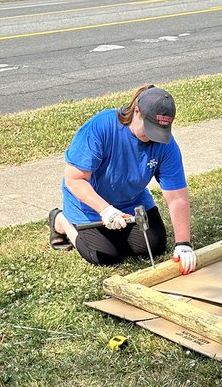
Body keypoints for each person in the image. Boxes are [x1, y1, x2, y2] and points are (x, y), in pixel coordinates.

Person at [48, 84, 198, 273]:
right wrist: (106, 210)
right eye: (150, 129)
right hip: (89, 206)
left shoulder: (165, 144)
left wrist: (183, 243)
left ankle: (116, 230)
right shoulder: (101, 127)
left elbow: (176, 196)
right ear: (137, 111)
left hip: (132, 202)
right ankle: (62, 221)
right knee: (105, 255)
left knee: (154, 245)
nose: (154, 138)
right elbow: (74, 180)